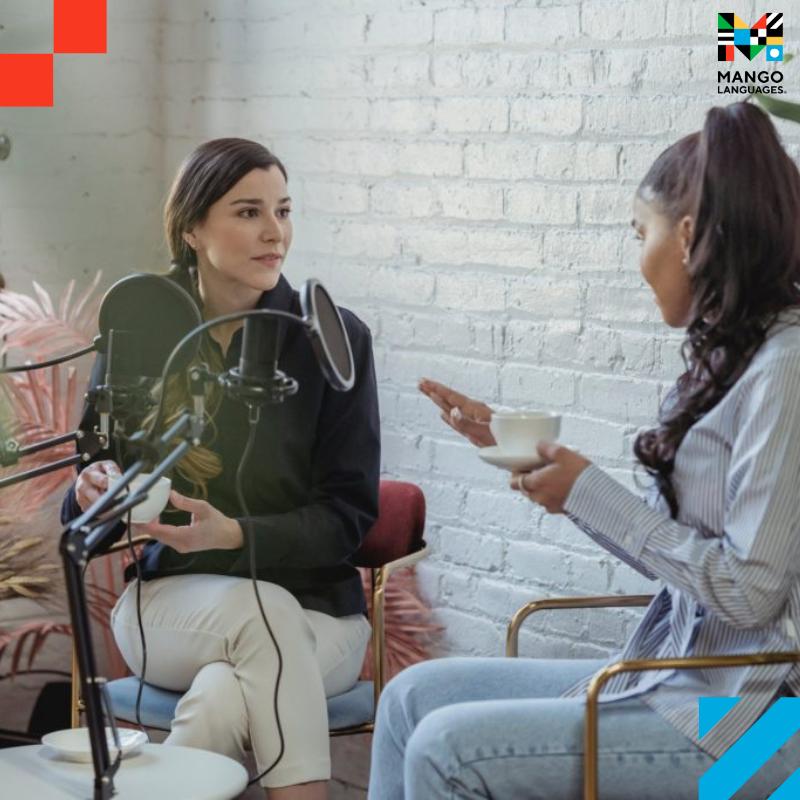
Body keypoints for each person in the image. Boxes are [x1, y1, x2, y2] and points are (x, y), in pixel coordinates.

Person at [368, 102, 800, 799]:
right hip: (683, 683)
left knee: (448, 751)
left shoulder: (786, 366)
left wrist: (588, 488)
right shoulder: (732, 361)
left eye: (640, 234)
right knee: (408, 699)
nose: (638, 259)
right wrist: (538, 466)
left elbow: (749, 593)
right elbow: (686, 562)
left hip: (764, 732)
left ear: (688, 236)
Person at [61, 138, 380, 800]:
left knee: (222, 695)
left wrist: (235, 534)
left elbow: (347, 518)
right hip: (169, 610)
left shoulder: (332, 338)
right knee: (261, 613)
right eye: (248, 212)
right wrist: (92, 491)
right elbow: (88, 503)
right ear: (192, 228)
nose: (275, 232)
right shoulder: (142, 328)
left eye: (283, 211)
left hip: (320, 618)